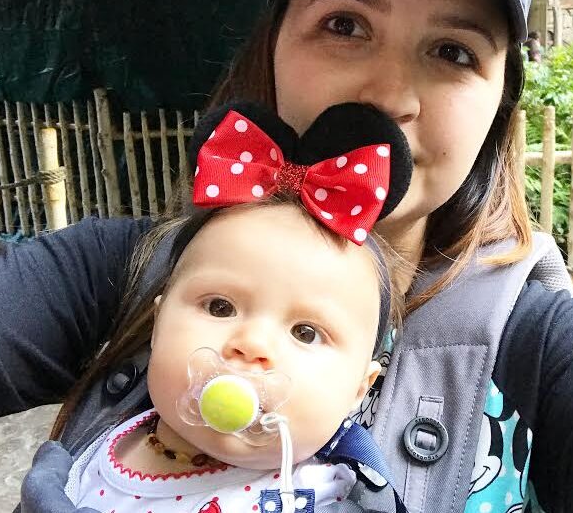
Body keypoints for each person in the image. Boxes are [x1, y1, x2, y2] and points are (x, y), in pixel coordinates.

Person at [0, 0, 573, 512]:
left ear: (499, 105)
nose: (389, 97)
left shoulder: (541, 347)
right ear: (271, 46)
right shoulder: (122, 268)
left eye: (453, 52)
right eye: (344, 24)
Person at [35, 100, 413, 512]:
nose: (250, 344)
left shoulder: (327, 495)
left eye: (306, 332)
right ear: (159, 324)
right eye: (219, 307)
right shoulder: (101, 446)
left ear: (359, 388)